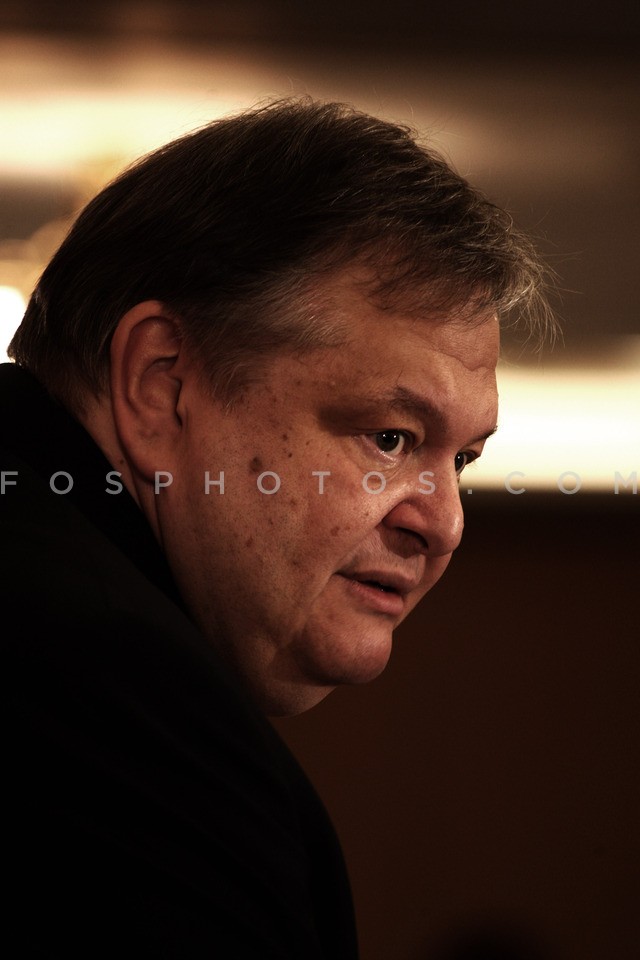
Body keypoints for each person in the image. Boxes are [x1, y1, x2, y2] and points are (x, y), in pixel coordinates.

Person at [1, 97, 551, 957]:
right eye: (390, 438)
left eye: (465, 460)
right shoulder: (113, 693)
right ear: (161, 384)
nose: (444, 525)